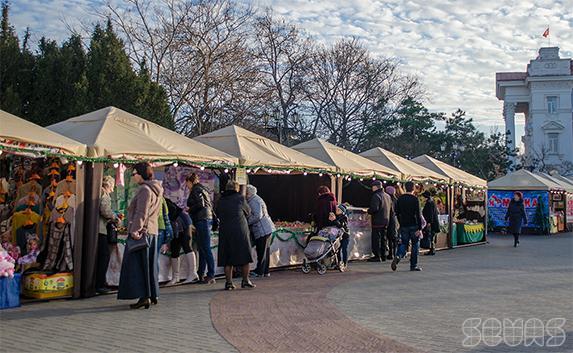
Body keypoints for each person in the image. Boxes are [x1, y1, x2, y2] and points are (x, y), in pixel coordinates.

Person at [118, 163, 164, 309]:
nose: (133, 177)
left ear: (141, 173)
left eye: (134, 174)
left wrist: (134, 230)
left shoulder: (144, 189)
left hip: (142, 232)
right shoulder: (157, 189)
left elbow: (141, 212)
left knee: (138, 266)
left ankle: (144, 297)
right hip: (152, 231)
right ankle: (152, 294)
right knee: (150, 265)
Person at [216, 181, 254, 290]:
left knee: (227, 258)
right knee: (245, 256)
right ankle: (245, 281)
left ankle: (228, 283)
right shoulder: (240, 198)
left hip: (225, 230)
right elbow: (248, 211)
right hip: (240, 230)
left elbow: (217, 213)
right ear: (236, 188)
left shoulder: (221, 199)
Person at [186, 173, 216, 284]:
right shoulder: (202, 189)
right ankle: (201, 274)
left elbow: (201, 204)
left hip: (202, 219)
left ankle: (211, 274)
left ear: (190, 181)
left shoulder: (196, 189)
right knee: (203, 248)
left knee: (205, 248)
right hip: (205, 219)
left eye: (187, 184)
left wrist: (189, 209)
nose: (187, 186)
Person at [165, 199, 199, 285]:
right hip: (180, 222)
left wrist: (170, 221)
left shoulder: (163, 200)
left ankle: (193, 274)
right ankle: (176, 277)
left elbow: (173, 210)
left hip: (182, 223)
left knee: (186, 246)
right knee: (175, 248)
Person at [392, 181, 423, 272]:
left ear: (405, 188)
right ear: (413, 188)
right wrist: (420, 228)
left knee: (403, 243)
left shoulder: (400, 199)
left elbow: (397, 212)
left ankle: (398, 255)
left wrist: (400, 223)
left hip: (404, 225)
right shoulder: (415, 199)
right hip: (414, 225)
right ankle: (413, 265)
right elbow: (418, 214)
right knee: (415, 245)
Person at [246, 185, 275, 278]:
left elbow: (257, 216)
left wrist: (247, 222)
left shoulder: (253, 201)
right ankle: (265, 271)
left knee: (261, 251)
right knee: (265, 251)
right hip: (266, 228)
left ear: (248, 193)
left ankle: (260, 271)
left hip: (262, 229)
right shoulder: (257, 199)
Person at [96, 175, 118, 294]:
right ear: (108, 185)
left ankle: (98, 282)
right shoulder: (105, 195)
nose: (113, 190)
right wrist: (115, 217)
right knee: (104, 256)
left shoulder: (97, 192)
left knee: (99, 256)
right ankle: (99, 284)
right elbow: (105, 211)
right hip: (101, 230)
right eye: (112, 187)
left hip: (95, 229)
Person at [367, 180, 392, 262]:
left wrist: (368, 211)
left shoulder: (376, 196)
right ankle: (383, 255)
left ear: (375, 187)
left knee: (376, 239)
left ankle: (377, 256)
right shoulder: (388, 196)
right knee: (384, 238)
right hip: (386, 220)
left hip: (377, 220)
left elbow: (374, 208)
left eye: (372, 187)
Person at [327, 204, 350, 268]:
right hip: (337, 236)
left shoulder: (344, 217)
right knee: (337, 250)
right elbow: (331, 224)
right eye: (337, 209)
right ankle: (338, 263)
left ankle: (345, 263)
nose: (337, 210)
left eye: (338, 210)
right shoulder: (336, 217)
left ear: (342, 211)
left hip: (345, 236)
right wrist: (330, 219)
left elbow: (340, 225)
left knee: (344, 249)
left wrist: (334, 220)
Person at [422, 191, 440, 256]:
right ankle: (432, 249)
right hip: (433, 222)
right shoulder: (432, 202)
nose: (422, 198)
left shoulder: (429, 203)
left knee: (430, 236)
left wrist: (429, 222)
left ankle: (432, 249)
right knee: (432, 236)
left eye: (423, 197)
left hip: (431, 223)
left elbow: (430, 214)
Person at [385, 185, 398, 260]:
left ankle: (390, 253)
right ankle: (394, 253)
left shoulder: (388, 200)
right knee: (394, 237)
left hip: (389, 220)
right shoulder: (396, 200)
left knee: (390, 237)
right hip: (395, 220)